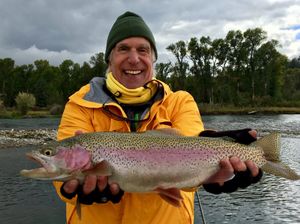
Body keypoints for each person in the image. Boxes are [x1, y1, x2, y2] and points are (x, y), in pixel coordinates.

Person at [53, 11, 262, 224]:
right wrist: (72, 188)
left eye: (143, 50)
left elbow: (191, 146)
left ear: (153, 59)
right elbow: (62, 176)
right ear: (109, 58)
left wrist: (216, 175)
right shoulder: (80, 104)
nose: (134, 59)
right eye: (123, 49)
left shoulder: (179, 102)